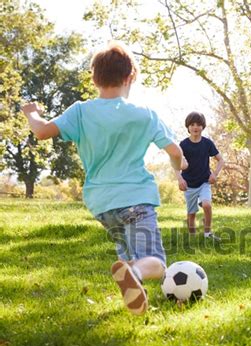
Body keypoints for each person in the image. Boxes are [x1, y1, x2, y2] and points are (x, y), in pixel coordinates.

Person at [21, 41, 187, 316]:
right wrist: (179, 165)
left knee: (129, 255)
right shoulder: (144, 114)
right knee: (155, 263)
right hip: (136, 200)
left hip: (102, 205)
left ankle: (136, 294)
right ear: (130, 76)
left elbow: (41, 131)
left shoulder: (81, 112)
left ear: (95, 78)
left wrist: (32, 112)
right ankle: (134, 272)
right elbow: (175, 151)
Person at [176, 111, 225, 240]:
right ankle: (192, 238)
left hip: (204, 182)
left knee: (207, 205)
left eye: (198, 124)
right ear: (188, 127)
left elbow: (221, 160)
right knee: (191, 214)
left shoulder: (207, 143)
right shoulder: (183, 145)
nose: (195, 127)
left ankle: (207, 233)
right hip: (189, 184)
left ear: (203, 126)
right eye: (192, 124)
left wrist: (214, 174)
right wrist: (180, 179)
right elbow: (175, 164)